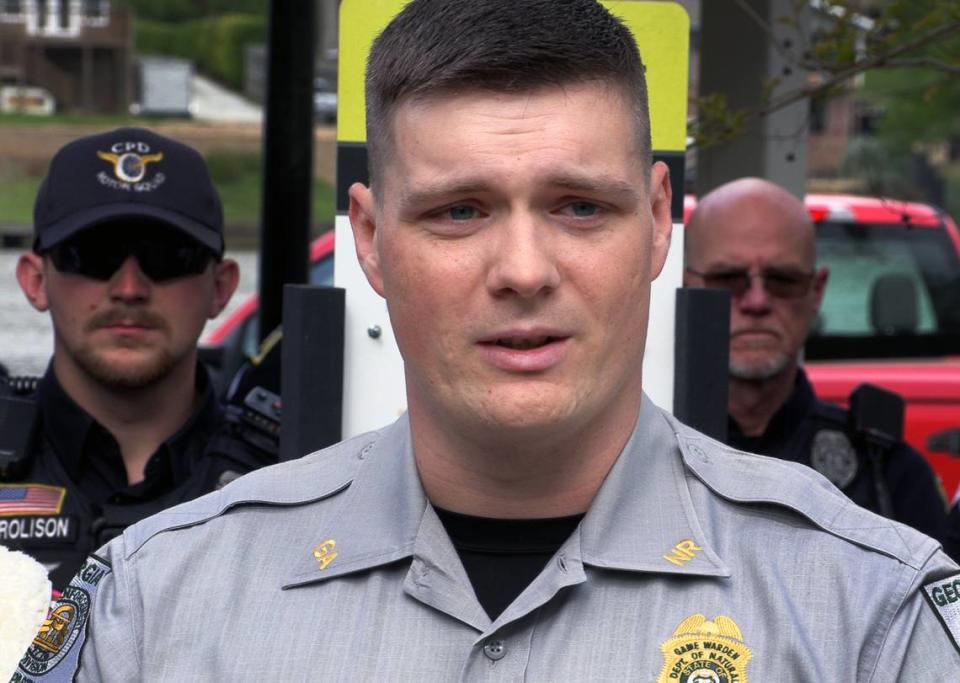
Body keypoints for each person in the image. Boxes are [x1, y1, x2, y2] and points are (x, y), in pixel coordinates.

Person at [19, 2, 960, 679]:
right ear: (373, 239)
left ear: (662, 224)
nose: (522, 268)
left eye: (580, 206)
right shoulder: (157, 604)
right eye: (460, 210)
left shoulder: (865, 613)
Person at [0, 127, 277, 593]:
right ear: (34, 281)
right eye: (92, 255)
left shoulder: (290, 481)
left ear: (223, 287)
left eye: (166, 257)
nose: (129, 289)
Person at [684, 177, 949, 543]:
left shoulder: (886, 474)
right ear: (684, 286)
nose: (756, 302)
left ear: (816, 292)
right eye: (728, 279)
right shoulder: (626, 461)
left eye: (783, 280)